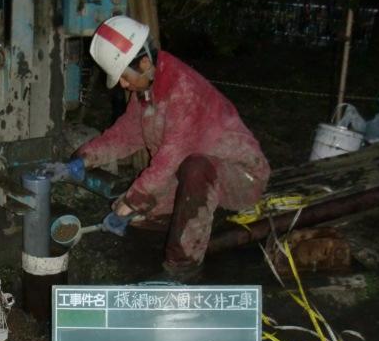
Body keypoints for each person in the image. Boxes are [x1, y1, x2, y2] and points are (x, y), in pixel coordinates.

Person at [50, 16, 270, 280]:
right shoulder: (147, 90)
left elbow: (169, 161)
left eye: (124, 76)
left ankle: (182, 269)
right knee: (140, 221)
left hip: (240, 176)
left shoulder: (184, 91)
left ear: (144, 63)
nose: (122, 84)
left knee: (194, 168)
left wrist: (129, 204)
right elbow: (125, 135)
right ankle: (205, 219)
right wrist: (82, 159)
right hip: (190, 175)